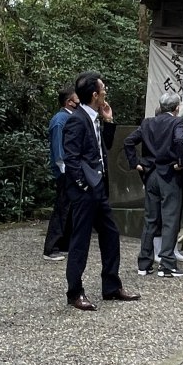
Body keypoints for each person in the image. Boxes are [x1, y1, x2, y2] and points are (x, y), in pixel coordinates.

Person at [60, 71, 140, 312]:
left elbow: (103, 147)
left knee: (111, 235)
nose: (105, 91)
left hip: (99, 189)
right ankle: (75, 292)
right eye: (103, 88)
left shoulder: (94, 118)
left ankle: (111, 286)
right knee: (80, 241)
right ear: (95, 94)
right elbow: (71, 157)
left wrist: (109, 121)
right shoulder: (77, 120)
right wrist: (82, 185)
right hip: (86, 190)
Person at [124, 92, 183, 276]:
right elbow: (180, 140)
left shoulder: (147, 123)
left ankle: (144, 264)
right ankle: (167, 264)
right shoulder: (177, 122)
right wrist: (180, 162)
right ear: (176, 108)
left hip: (151, 174)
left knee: (150, 219)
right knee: (170, 219)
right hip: (169, 175)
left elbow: (128, 141)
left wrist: (135, 163)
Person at [43, 84, 78, 260]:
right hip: (65, 170)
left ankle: (64, 243)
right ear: (69, 102)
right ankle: (51, 247)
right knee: (62, 208)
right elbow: (58, 147)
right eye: (77, 98)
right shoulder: (60, 120)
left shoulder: (70, 118)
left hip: (71, 169)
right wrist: (64, 168)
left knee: (69, 208)